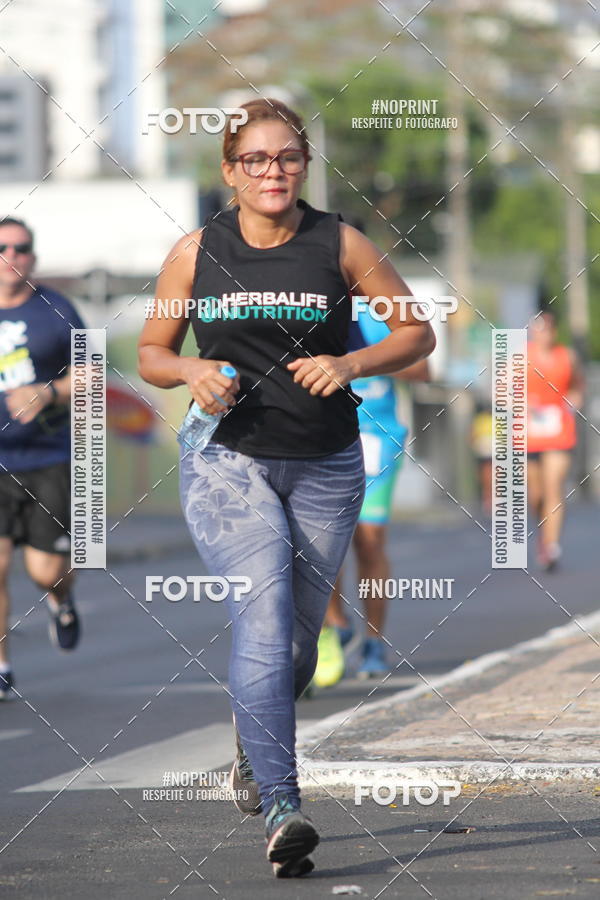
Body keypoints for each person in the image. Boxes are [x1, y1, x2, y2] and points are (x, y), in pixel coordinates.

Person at [138, 98, 435, 878]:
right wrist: (192, 370)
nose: (274, 173)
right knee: (263, 611)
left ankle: (253, 735)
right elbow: (151, 351)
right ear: (230, 171)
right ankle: (282, 802)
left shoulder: (340, 243)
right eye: (257, 161)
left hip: (327, 462)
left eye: (289, 159)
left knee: (301, 643)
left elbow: (415, 331)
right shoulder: (196, 251)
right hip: (226, 461)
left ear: (305, 165)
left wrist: (348, 364)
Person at [313, 298, 430, 687]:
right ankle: (334, 626)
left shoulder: (378, 316)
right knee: (323, 543)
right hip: (324, 440)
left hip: (376, 440)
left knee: (370, 541)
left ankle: (375, 641)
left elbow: (423, 369)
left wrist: (360, 359)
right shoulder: (312, 310)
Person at [0, 217, 84, 700]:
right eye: (4, 246)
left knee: (44, 571)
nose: (14, 254)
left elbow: (93, 378)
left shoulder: (57, 308)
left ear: (34, 254)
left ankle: (63, 599)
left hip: (48, 458)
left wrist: (48, 393)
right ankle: (3, 665)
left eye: (23, 247)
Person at [527, 310, 584, 570]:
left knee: (553, 486)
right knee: (535, 494)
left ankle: (551, 545)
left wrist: (573, 401)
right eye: (537, 329)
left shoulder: (567, 356)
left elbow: (578, 385)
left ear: (554, 332)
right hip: (527, 433)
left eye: (547, 329)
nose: (542, 334)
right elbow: (502, 391)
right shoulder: (520, 359)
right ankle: (543, 531)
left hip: (557, 429)